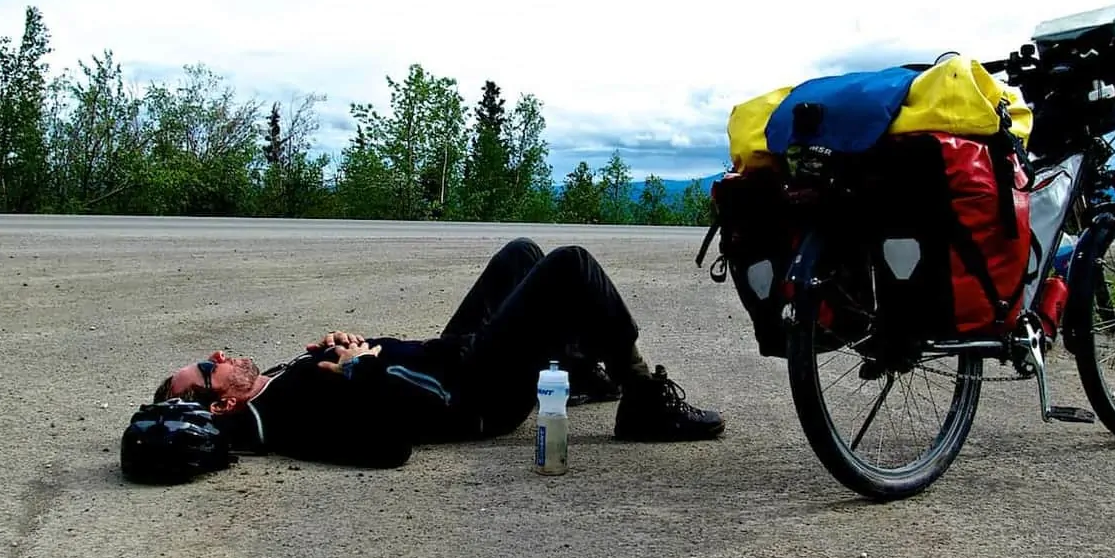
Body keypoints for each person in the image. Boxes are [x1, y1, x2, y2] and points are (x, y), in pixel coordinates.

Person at [151, 238, 725, 468]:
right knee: (569, 267)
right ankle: (643, 397)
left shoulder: (270, 392)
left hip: (448, 356)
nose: (218, 355)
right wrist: (363, 370)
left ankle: (574, 371)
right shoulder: (280, 418)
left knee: (519, 256)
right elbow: (386, 446)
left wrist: (352, 351)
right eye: (207, 368)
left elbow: (366, 378)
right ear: (220, 405)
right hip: (475, 394)